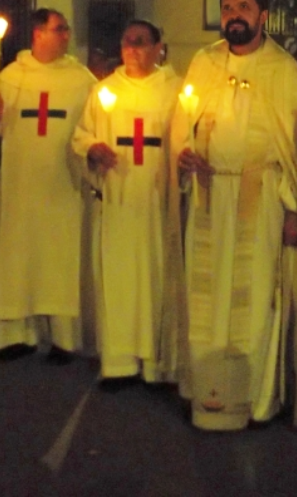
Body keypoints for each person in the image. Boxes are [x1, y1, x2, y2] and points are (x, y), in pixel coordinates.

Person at [170, 0, 297, 431]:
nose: (234, 15)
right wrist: (183, 154)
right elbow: (182, 125)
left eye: (243, 6)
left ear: (263, 15)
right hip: (210, 197)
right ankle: (203, 391)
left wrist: (292, 211)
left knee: (255, 297)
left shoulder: (281, 70)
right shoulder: (204, 62)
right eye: (228, 7)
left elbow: (295, 148)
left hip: (260, 198)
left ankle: (254, 400)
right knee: (205, 297)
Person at [0, 8, 96, 362]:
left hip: (62, 185)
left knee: (59, 261)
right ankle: (17, 335)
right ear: (38, 34)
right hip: (20, 186)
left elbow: (95, 125)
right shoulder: (10, 77)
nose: (66, 35)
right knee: (18, 258)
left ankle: (63, 339)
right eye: (59, 29)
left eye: (66, 28)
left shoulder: (82, 79)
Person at [72, 20, 184, 387]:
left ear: (158, 48)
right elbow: (81, 135)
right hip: (118, 199)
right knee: (118, 279)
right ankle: (119, 362)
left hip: (156, 201)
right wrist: (93, 149)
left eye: (140, 42)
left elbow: (189, 137)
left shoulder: (175, 90)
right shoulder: (104, 91)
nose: (132, 48)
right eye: (126, 41)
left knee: (155, 276)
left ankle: (156, 364)